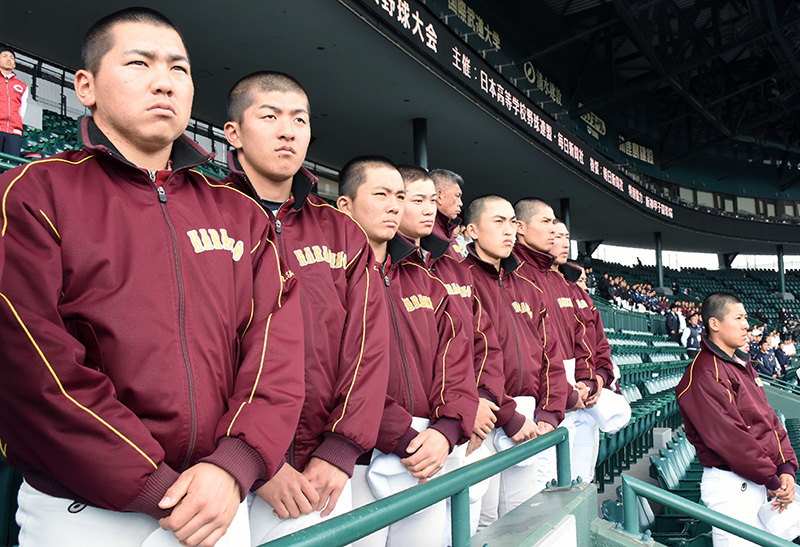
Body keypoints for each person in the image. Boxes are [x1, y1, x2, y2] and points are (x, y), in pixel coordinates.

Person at [0, 9, 308, 547]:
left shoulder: (239, 213)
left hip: (219, 498)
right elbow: (33, 368)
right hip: (87, 509)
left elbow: (275, 351)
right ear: (86, 86)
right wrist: (155, 486)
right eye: (139, 63)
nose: (164, 80)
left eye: (179, 69)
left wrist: (236, 463)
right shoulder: (32, 193)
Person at [221, 71, 390, 543]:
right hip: (219, 467)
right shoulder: (206, 215)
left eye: (300, 119)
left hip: (321, 470)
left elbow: (368, 346)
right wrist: (254, 458)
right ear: (233, 132)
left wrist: (340, 448)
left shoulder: (341, 231)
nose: (287, 130)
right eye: (269, 116)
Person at [337, 157, 477, 547]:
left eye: (400, 195)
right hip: (356, 456)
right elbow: (329, 368)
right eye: (382, 194)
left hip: (427, 451)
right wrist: (403, 436)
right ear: (344, 205)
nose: (394, 205)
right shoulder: (329, 274)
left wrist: (446, 429)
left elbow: (456, 359)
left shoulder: (426, 279)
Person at [462, 195, 567, 528]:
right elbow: (464, 354)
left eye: (511, 222)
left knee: (520, 519)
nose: (508, 230)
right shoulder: (457, 278)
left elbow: (550, 355)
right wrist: (507, 414)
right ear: (472, 231)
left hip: (527, 416)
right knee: (481, 520)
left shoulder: (528, 286)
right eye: (498, 222)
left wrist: (550, 412)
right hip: (481, 413)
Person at [676, 292, 797, 547]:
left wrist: (786, 467)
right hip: (731, 485)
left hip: (759, 479)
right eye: (739, 317)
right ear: (715, 323)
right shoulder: (704, 373)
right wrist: (773, 479)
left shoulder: (740, 364)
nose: (746, 324)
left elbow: (770, 420)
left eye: (746, 317)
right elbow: (733, 440)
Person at [429, 168, 465, 259]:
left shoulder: (447, 229)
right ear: (439, 196)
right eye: (457, 196)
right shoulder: (427, 231)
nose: (460, 203)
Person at [0, 48, 28, 156]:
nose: (9, 59)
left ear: (15, 65)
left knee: (11, 168)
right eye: (5, 56)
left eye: (12, 57)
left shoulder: (22, 86)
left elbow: (22, 110)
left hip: (14, 133)